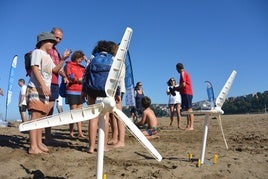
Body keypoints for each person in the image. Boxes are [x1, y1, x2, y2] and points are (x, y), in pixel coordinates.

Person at [26, 32, 67, 154]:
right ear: (44, 42)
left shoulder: (48, 56)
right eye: (51, 41)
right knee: (35, 117)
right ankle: (33, 146)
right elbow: (34, 68)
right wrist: (43, 85)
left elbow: (55, 70)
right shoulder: (37, 52)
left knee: (41, 117)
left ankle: (39, 143)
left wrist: (63, 59)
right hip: (36, 88)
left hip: (44, 90)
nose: (53, 43)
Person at [82, 40, 122, 153]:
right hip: (106, 91)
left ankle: (90, 147)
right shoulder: (113, 59)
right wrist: (117, 93)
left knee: (93, 118)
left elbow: (85, 75)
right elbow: (116, 78)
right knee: (105, 118)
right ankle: (103, 146)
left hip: (92, 90)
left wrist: (84, 91)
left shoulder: (92, 58)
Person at [45, 27, 71, 142]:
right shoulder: (45, 48)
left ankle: (47, 134)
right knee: (43, 110)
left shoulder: (56, 51)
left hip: (55, 82)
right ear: (51, 35)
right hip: (46, 81)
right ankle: (37, 137)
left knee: (50, 110)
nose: (58, 40)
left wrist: (65, 76)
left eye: (60, 38)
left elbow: (58, 68)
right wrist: (64, 59)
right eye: (56, 37)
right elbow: (53, 69)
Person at [65, 50, 86, 138]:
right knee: (73, 112)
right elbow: (70, 76)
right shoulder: (69, 65)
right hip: (72, 90)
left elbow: (87, 75)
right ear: (75, 57)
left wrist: (87, 60)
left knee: (79, 112)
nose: (80, 61)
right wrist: (78, 80)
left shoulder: (82, 67)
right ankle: (71, 132)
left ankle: (80, 132)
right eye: (79, 59)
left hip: (80, 91)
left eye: (81, 59)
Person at [175, 63, 195, 130]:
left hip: (187, 93)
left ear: (178, 68)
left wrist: (176, 88)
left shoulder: (182, 73)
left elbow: (183, 84)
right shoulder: (184, 73)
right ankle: (188, 125)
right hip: (185, 92)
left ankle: (191, 126)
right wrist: (177, 89)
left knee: (189, 109)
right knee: (187, 109)